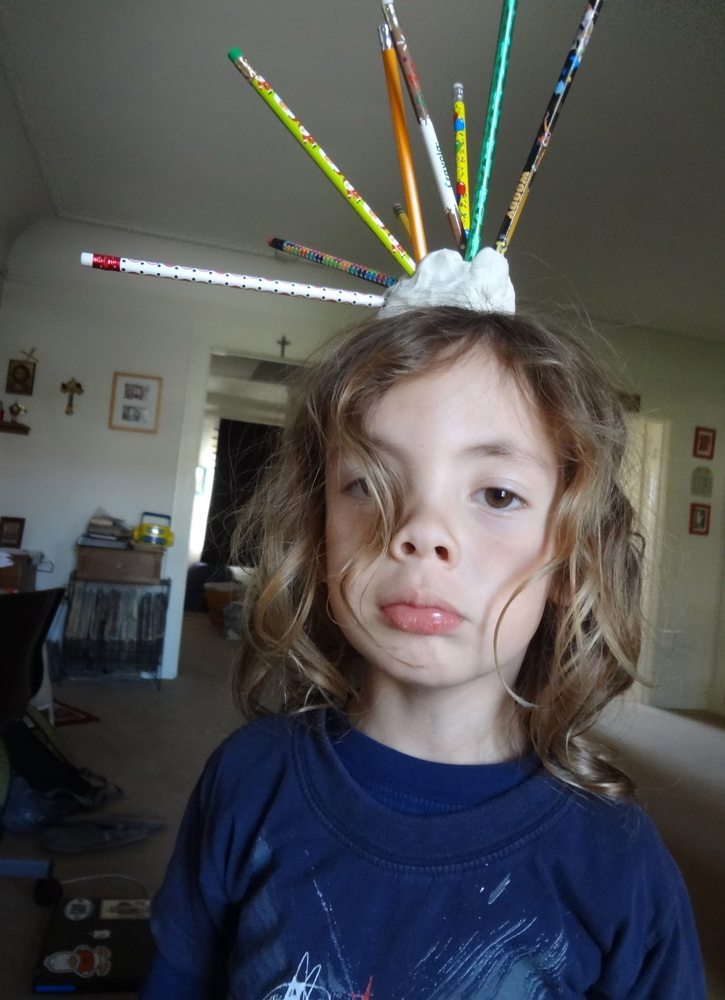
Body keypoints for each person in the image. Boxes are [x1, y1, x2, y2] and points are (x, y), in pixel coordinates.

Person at [141, 251, 705, 999]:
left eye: (497, 494)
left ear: (571, 563)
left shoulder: (620, 865)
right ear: (319, 532)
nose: (418, 531)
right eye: (368, 483)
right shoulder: (247, 780)